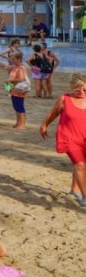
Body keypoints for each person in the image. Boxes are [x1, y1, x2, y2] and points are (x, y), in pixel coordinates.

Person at [40, 73, 86, 207]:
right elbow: (53, 112)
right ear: (72, 87)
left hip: (84, 138)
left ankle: (74, 189)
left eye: (85, 89)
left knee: (83, 164)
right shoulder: (65, 98)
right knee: (80, 165)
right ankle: (84, 197)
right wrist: (44, 124)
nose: (81, 92)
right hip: (69, 137)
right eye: (78, 89)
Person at [5, 52, 30, 130]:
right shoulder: (16, 66)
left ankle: (22, 124)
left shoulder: (21, 67)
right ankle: (18, 122)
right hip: (15, 88)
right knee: (16, 107)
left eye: (13, 59)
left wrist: (10, 80)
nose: (12, 60)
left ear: (19, 59)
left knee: (19, 106)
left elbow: (21, 79)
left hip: (19, 89)